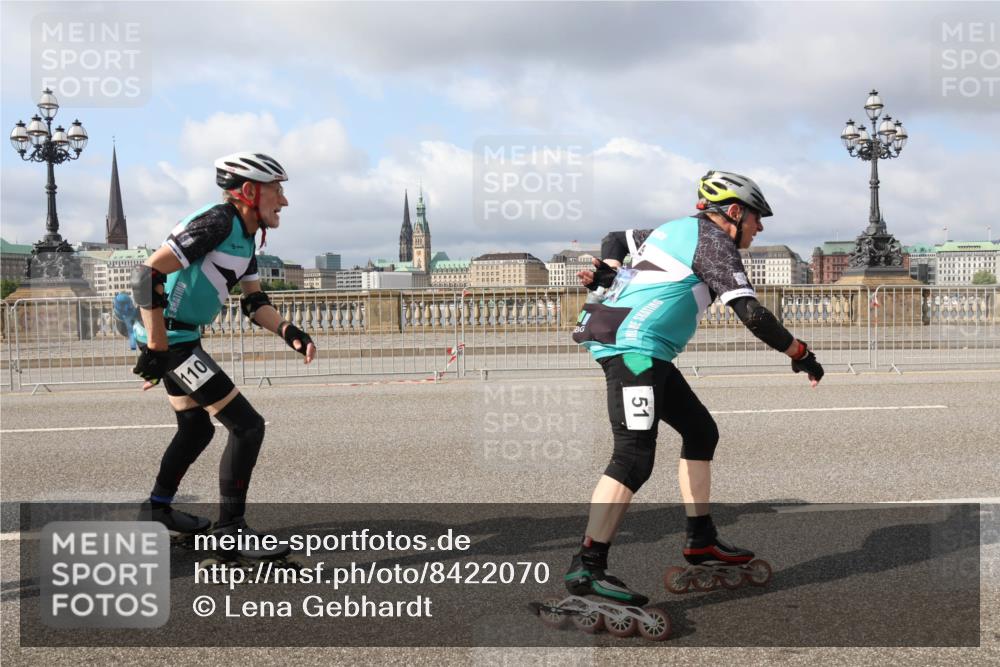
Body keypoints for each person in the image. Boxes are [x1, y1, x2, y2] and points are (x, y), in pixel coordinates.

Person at [568, 170, 824, 604]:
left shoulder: (671, 230)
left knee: (701, 432)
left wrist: (611, 268)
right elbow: (754, 315)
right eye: (757, 219)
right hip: (634, 350)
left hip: (644, 348)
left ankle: (701, 539)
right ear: (735, 212)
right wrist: (800, 353)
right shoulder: (715, 245)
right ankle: (587, 567)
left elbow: (615, 238)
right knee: (633, 456)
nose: (759, 229)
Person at [132, 151, 316, 559]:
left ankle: (156, 511)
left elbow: (254, 302)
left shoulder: (246, 236)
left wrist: (289, 331)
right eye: (277, 190)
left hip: (181, 339)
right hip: (173, 342)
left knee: (196, 429)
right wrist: (157, 347)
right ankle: (230, 531)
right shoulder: (218, 222)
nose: (283, 201)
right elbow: (147, 274)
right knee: (247, 427)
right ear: (250, 191)